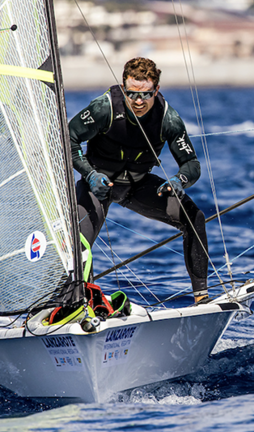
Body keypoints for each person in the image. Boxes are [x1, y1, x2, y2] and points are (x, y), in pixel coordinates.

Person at [69, 57, 210, 303]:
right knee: (78, 241)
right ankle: (81, 302)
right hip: (98, 186)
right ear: (124, 88)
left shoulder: (167, 118)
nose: (138, 101)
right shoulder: (104, 108)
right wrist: (90, 174)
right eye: (132, 94)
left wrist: (179, 180)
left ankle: (202, 298)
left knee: (194, 217)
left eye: (145, 94)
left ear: (156, 90)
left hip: (138, 186)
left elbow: (191, 163)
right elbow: (68, 138)